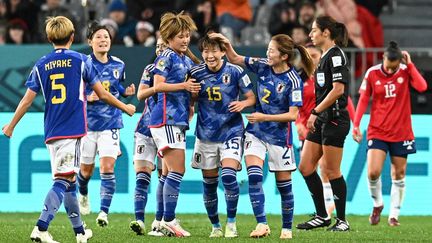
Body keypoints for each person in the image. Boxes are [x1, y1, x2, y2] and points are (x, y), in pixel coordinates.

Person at [2, 16, 135, 243]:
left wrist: (11, 125)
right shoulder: (82, 60)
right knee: (63, 181)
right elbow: (102, 93)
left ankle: (80, 232)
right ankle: (41, 228)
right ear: (73, 37)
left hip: (51, 130)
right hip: (72, 130)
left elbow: (25, 101)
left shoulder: (41, 64)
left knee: (70, 182)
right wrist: (125, 107)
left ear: (49, 38)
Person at [209, 31, 315, 239]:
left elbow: (293, 116)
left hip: (279, 137)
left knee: (284, 186)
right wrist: (228, 44)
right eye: (268, 49)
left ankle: (286, 229)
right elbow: (236, 58)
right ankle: (262, 224)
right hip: (256, 133)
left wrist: (264, 117)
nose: (268, 53)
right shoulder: (263, 65)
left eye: (271, 50)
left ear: (284, 56)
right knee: (254, 176)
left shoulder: (293, 80)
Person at [352, 41, 427, 226]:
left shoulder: (405, 70)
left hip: (401, 131)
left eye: (395, 67)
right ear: (383, 58)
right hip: (378, 130)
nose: (391, 70)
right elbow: (363, 100)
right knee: (373, 172)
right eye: (388, 66)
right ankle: (377, 204)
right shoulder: (372, 73)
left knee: (399, 174)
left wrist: (410, 65)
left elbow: (422, 87)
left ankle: (394, 215)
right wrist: (356, 124)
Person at [190, 35, 256, 238]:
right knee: (209, 184)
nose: (210, 55)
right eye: (206, 51)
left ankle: (232, 223)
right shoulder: (195, 73)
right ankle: (216, 226)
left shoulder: (235, 71)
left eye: (214, 51)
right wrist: (192, 96)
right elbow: (190, 99)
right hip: (206, 134)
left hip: (232, 131)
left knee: (228, 176)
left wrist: (243, 105)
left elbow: (251, 97)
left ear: (222, 52)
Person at [76, 22, 136, 227]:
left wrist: (125, 92)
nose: (103, 40)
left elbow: (116, 86)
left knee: (107, 167)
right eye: (99, 37)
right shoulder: (84, 64)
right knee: (85, 172)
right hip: (87, 124)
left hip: (111, 122)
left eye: (106, 37)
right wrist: (87, 96)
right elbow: (75, 91)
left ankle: (103, 212)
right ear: (89, 41)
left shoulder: (119, 64)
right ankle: (82, 191)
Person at [148, 11, 201, 237]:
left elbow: (191, 85)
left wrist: (193, 98)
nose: (185, 40)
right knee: (178, 169)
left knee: (167, 172)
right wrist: (184, 87)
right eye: (180, 36)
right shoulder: (166, 57)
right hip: (165, 118)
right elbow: (158, 86)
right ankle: (170, 219)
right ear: (169, 38)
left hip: (177, 120)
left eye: (187, 35)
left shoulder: (185, 59)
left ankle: (160, 221)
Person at [296, 15, 351, 231]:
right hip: (322, 119)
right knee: (306, 166)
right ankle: (321, 215)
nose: (310, 34)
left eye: (313, 30)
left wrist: (315, 111)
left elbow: (338, 90)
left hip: (335, 119)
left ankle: (342, 220)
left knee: (331, 170)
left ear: (326, 32)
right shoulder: (323, 58)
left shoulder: (336, 56)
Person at [129, 37, 168, 237]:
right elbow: (140, 95)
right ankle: (139, 220)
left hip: (166, 128)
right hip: (145, 129)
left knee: (165, 177)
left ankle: (160, 220)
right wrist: (158, 88)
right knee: (142, 176)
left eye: (164, 45)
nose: (160, 49)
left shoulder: (179, 70)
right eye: (158, 46)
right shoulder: (150, 69)